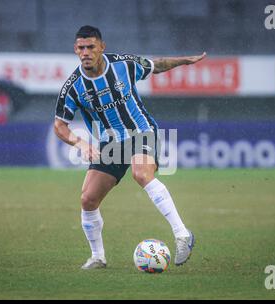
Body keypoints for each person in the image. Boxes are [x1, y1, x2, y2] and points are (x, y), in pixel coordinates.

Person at [54, 25, 206, 269]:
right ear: (75, 49)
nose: (86, 52)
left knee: (141, 173)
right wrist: (80, 142)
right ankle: (98, 257)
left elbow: (158, 65)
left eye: (91, 47)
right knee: (88, 199)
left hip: (140, 130)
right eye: (81, 48)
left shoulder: (123, 65)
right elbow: (60, 126)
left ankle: (182, 235)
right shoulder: (73, 87)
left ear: (102, 47)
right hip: (110, 141)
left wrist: (184, 61)